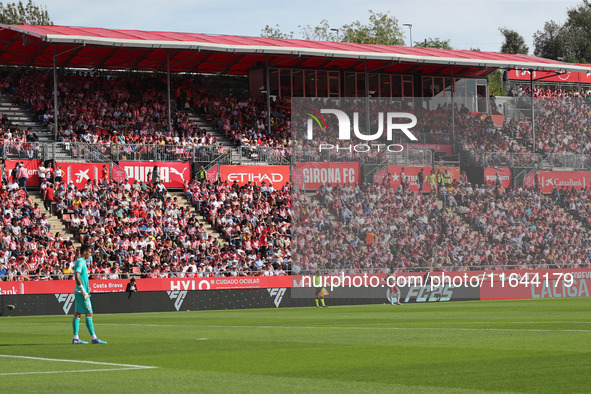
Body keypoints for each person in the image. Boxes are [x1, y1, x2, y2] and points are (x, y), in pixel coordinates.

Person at [72, 245, 107, 344]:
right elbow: (77, 275)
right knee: (89, 313)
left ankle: (76, 338)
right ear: (84, 252)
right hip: (81, 292)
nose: (90, 254)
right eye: (89, 252)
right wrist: (82, 289)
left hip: (81, 291)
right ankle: (94, 338)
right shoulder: (80, 261)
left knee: (78, 314)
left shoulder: (83, 262)